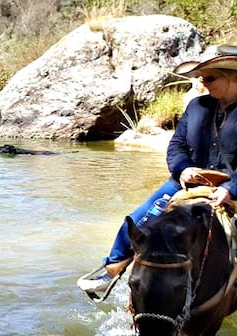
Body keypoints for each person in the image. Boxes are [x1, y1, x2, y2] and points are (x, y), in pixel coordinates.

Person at [79, 46, 237, 300]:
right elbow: (177, 145)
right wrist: (183, 169)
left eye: (210, 78)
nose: (203, 84)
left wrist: (231, 188)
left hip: (230, 190)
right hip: (184, 185)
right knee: (137, 221)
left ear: (233, 78)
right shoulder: (197, 107)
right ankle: (111, 271)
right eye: (201, 78)